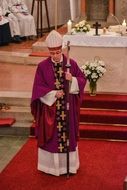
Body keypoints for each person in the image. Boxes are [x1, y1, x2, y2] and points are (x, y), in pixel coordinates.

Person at [31, 30, 86, 176]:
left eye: (57, 52)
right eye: (52, 53)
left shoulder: (70, 64)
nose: (55, 56)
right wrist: (54, 94)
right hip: (51, 110)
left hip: (68, 108)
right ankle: (50, 167)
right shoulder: (42, 66)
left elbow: (82, 80)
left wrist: (72, 79)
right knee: (52, 137)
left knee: (68, 135)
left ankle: (68, 167)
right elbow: (38, 88)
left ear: (61, 49)